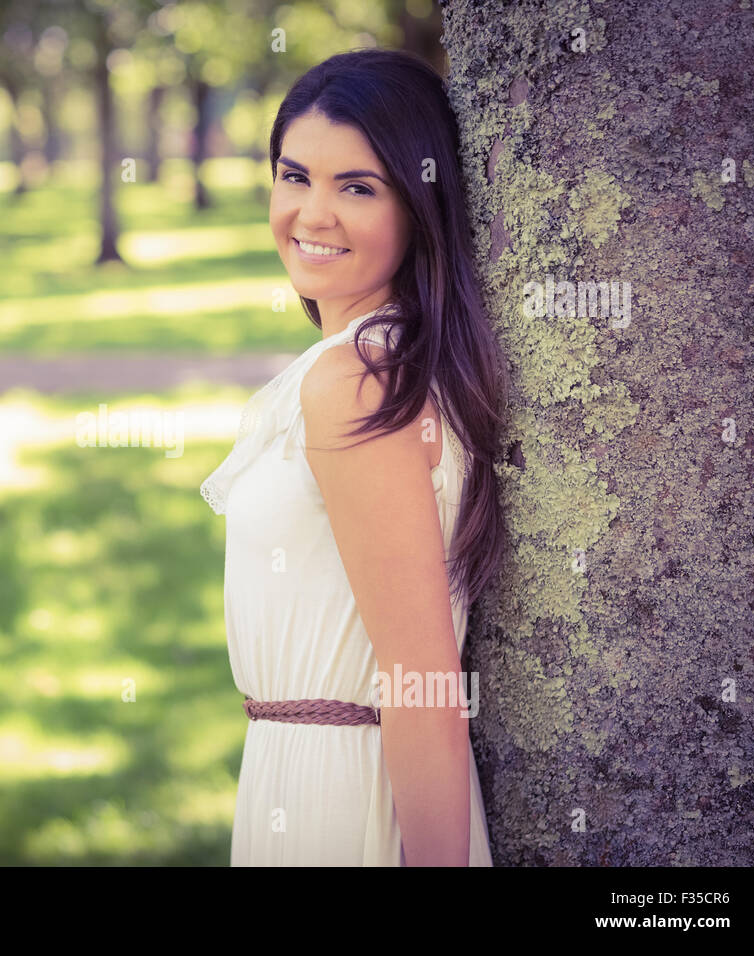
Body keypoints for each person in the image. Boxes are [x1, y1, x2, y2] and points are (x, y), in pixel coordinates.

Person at [200, 48, 508, 866]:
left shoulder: (358, 381)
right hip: (302, 775)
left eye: (358, 188)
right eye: (295, 176)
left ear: (419, 207)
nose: (312, 214)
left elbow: (424, 688)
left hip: (343, 800)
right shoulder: (386, 360)